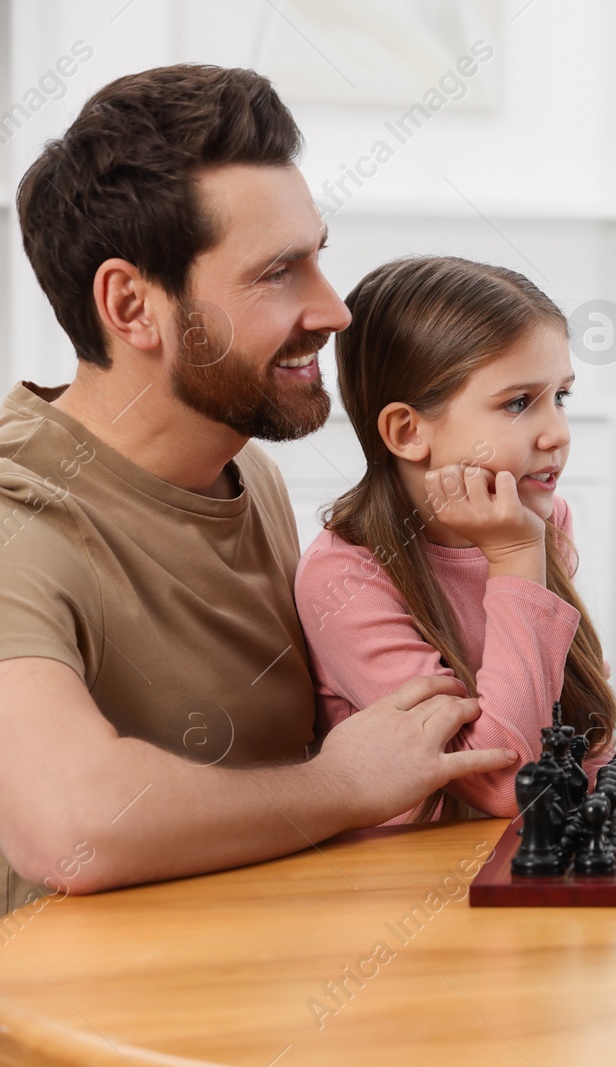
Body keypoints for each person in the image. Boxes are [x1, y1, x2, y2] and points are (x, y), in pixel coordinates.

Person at [0, 67, 513, 905]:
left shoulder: (249, 474)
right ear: (132, 305)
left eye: (318, 258)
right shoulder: (17, 513)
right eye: (279, 273)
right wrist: (341, 785)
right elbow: (69, 827)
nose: (334, 309)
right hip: (89, 1029)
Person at [294, 256, 616, 821]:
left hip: (508, 872)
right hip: (404, 887)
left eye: (562, 396)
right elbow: (504, 780)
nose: (557, 433)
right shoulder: (345, 578)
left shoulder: (542, 522)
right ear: (408, 432)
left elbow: (552, 728)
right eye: (518, 403)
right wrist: (513, 561)